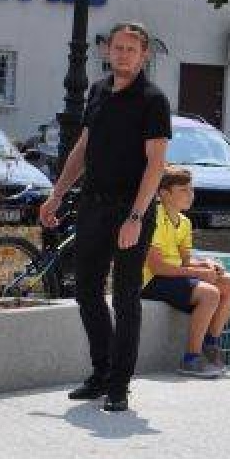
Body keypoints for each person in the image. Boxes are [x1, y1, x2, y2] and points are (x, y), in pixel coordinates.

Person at [40, 21, 171, 413]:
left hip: (131, 210)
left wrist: (135, 216)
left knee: (126, 298)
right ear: (107, 51)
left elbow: (156, 165)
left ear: (144, 55)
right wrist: (57, 194)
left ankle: (119, 385)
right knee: (86, 291)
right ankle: (101, 373)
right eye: (118, 47)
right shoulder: (97, 91)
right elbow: (82, 148)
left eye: (132, 49)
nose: (124, 54)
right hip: (92, 206)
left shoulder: (153, 100)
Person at [141, 166, 230, 378]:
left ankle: (210, 343)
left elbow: (186, 260)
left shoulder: (185, 222)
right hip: (151, 281)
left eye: (191, 189)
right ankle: (190, 359)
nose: (190, 194)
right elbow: (157, 267)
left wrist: (205, 264)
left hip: (173, 275)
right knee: (210, 293)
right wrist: (199, 274)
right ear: (164, 193)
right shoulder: (154, 218)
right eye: (183, 190)